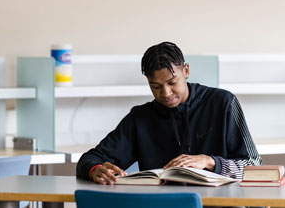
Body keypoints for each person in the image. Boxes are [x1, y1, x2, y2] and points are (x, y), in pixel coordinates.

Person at [76, 42, 261, 184]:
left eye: (172, 83)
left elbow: (255, 166)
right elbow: (89, 159)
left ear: (186, 70)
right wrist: (95, 170)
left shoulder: (223, 103)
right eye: (155, 86)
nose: (165, 93)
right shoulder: (140, 118)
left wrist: (210, 161)